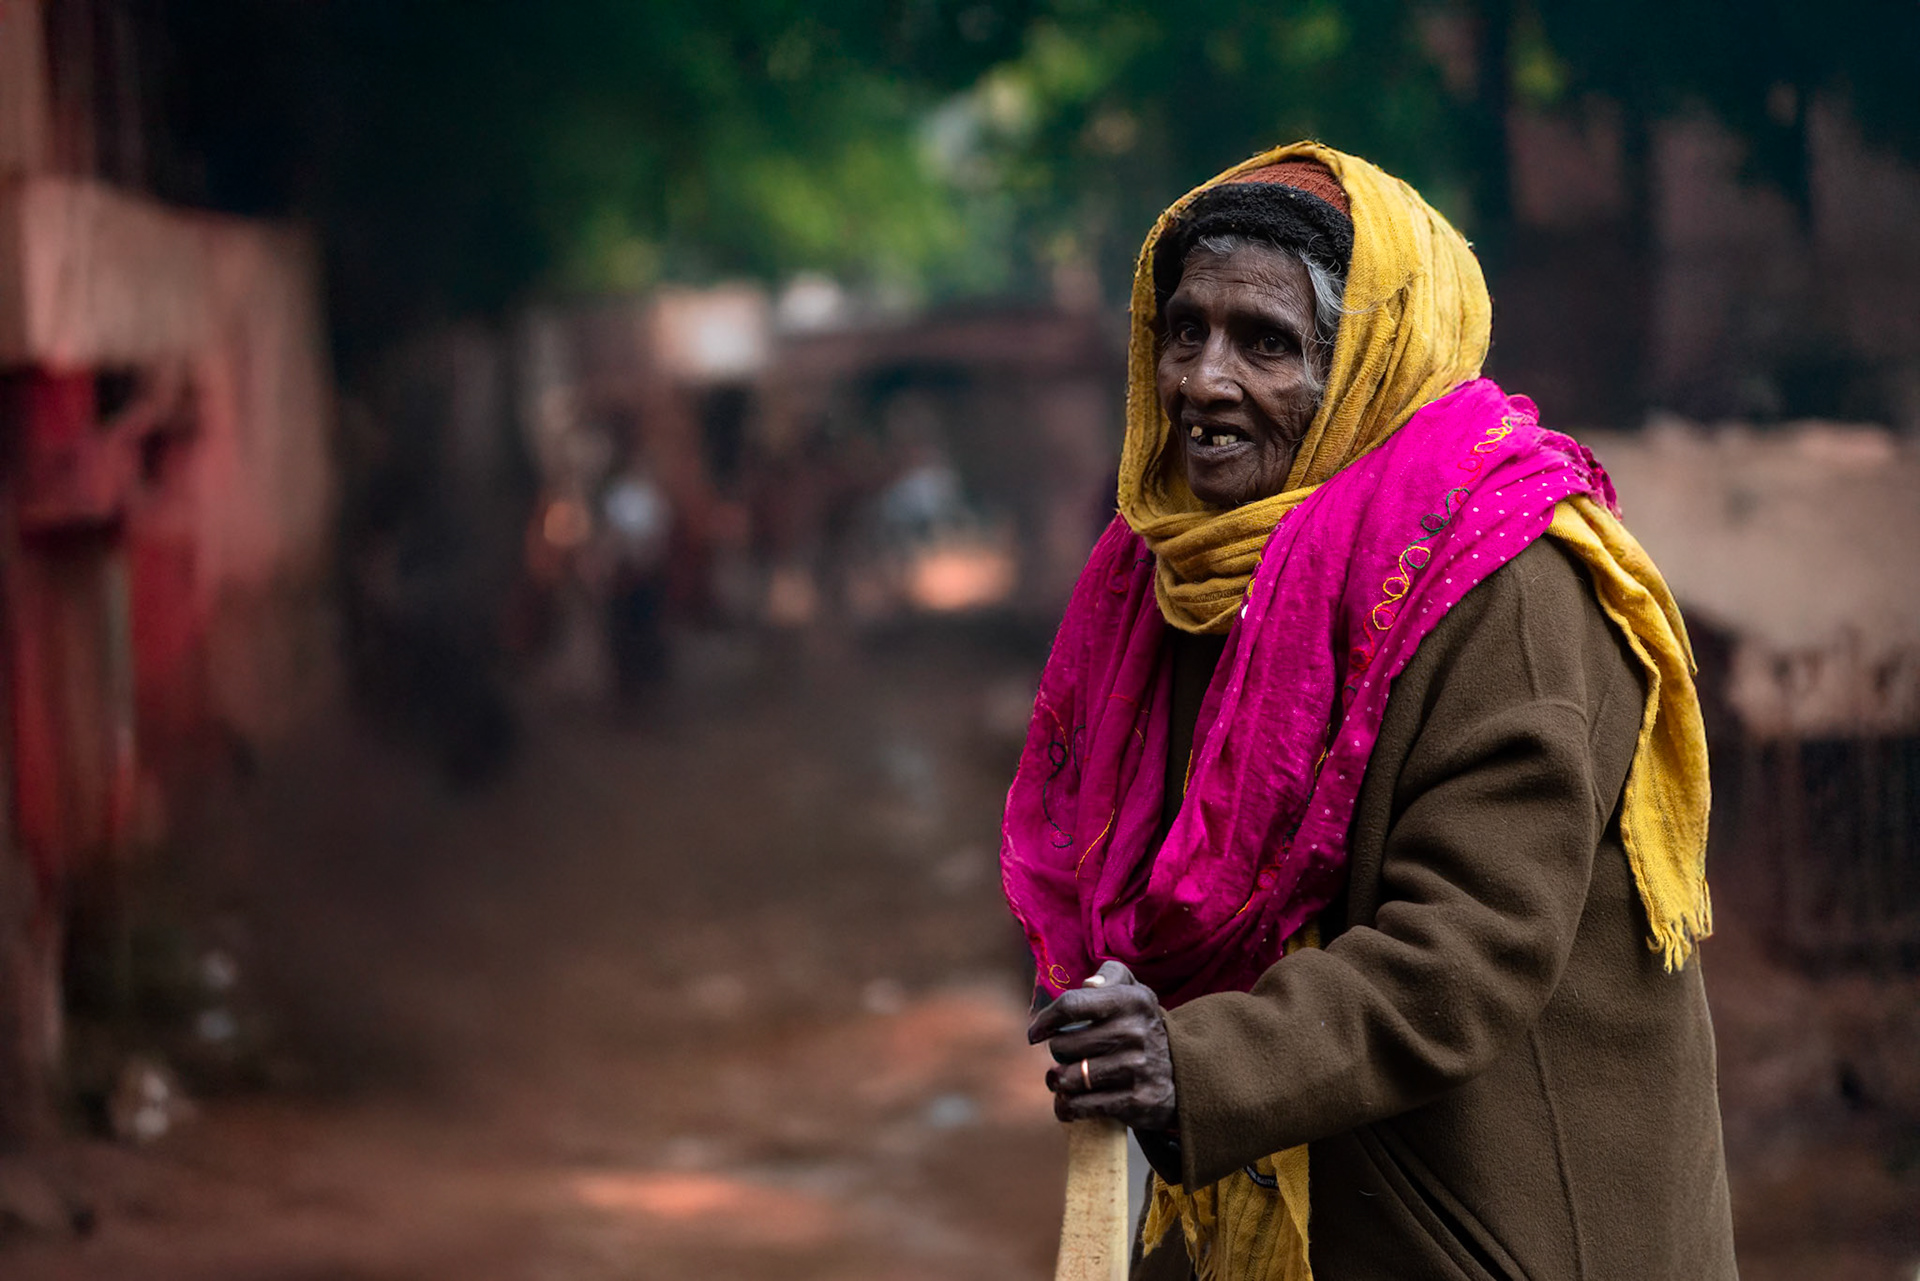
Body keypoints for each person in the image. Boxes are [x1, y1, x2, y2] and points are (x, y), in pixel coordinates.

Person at [1001, 143, 1736, 1279]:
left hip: (1497, 1231)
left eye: (1266, 343)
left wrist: (1194, 1067)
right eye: (1184, 331)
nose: (1201, 382)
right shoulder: (1185, 580)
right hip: (1305, 1206)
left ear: (1368, 365)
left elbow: (1467, 951)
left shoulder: (1514, 583)